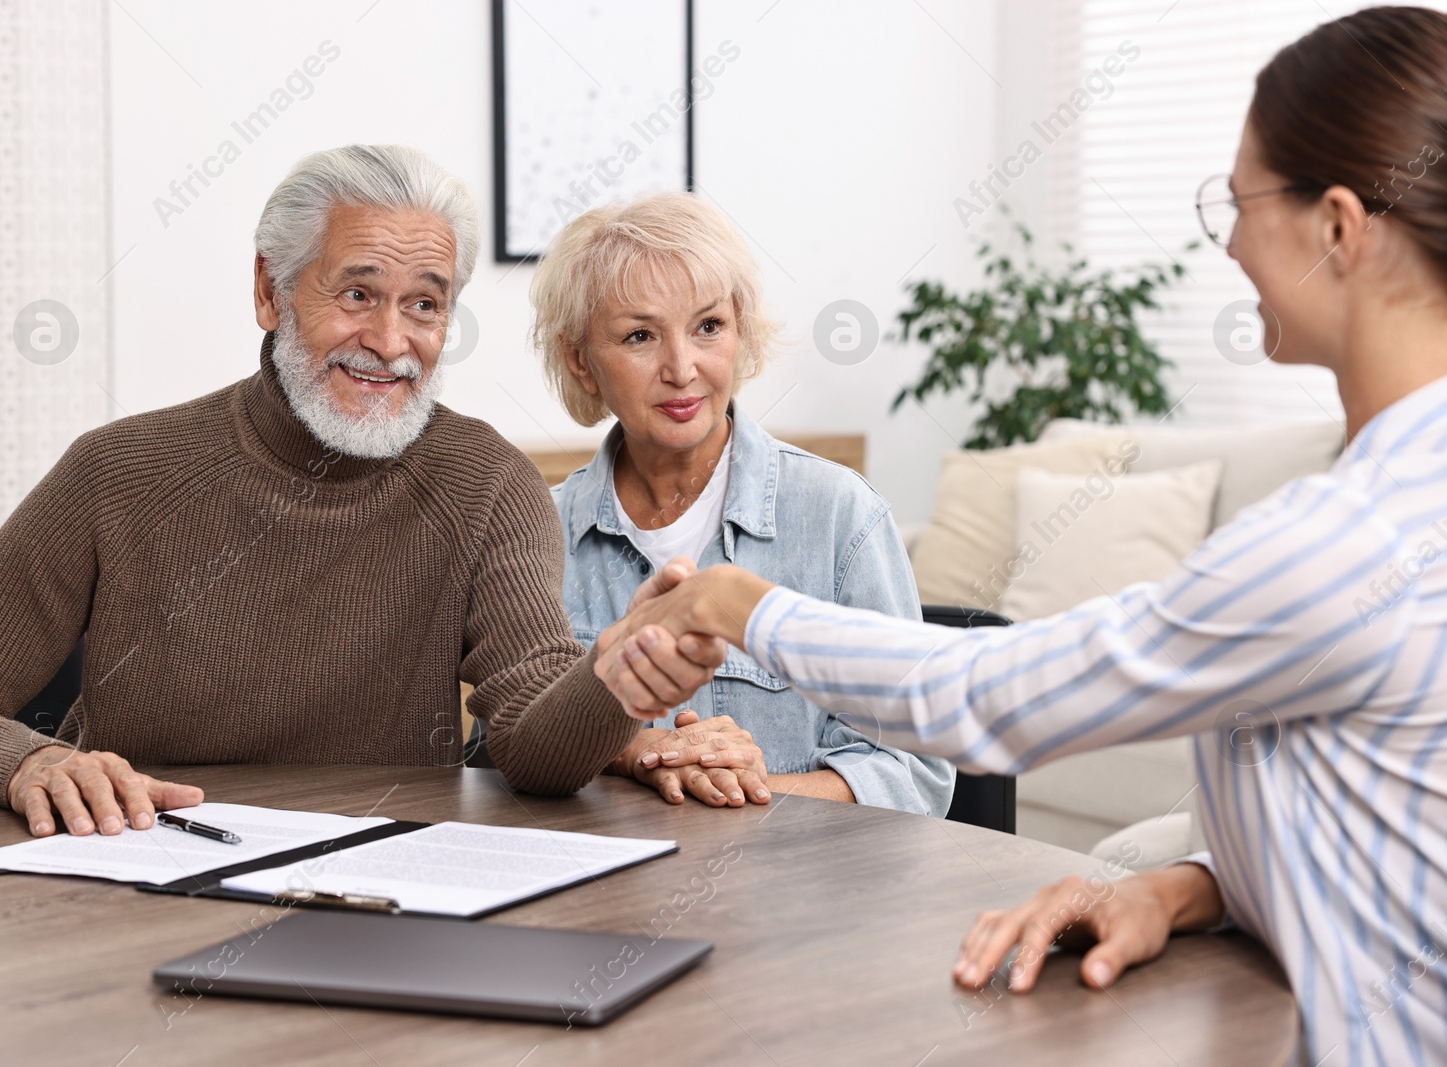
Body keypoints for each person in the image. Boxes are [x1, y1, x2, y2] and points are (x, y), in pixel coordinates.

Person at [591, 8, 1447, 1063]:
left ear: (1339, 227)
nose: (1224, 239)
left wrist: (736, 602)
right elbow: (1381, 817)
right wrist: (1184, 890)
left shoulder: (1344, 541)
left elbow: (984, 697)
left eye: (1238, 202)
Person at [0, 145, 718, 838]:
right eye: (356, 293)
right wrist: (22, 760)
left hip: (383, 893)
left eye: (424, 304)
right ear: (269, 291)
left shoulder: (486, 483)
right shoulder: (118, 471)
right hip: (138, 882)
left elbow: (531, 744)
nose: (390, 340)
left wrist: (617, 674)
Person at [532, 192, 953, 814]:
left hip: (792, 898)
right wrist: (629, 746)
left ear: (740, 330)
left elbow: (912, 773)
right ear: (582, 361)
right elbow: (500, 757)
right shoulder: (536, 529)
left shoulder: (840, 515)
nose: (682, 368)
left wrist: (752, 786)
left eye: (708, 327)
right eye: (640, 336)